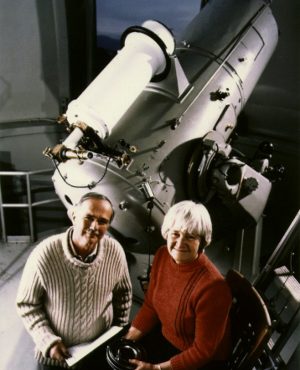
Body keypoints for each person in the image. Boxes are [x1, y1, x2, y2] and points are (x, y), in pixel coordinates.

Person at [16, 192, 132, 370]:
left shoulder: (115, 252)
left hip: (98, 355)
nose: (94, 226)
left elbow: (123, 294)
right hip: (55, 359)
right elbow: (27, 304)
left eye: (102, 221)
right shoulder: (45, 253)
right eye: (89, 218)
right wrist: (47, 341)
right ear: (73, 216)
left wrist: (117, 333)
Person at [124, 200, 232, 370]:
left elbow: (203, 351)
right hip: (166, 337)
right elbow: (151, 305)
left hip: (198, 360)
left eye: (190, 236)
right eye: (176, 233)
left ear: (202, 242)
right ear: (167, 233)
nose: (180, 243)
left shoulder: (214, 289)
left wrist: (156, 369)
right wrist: (127, 341)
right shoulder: (162, 255)